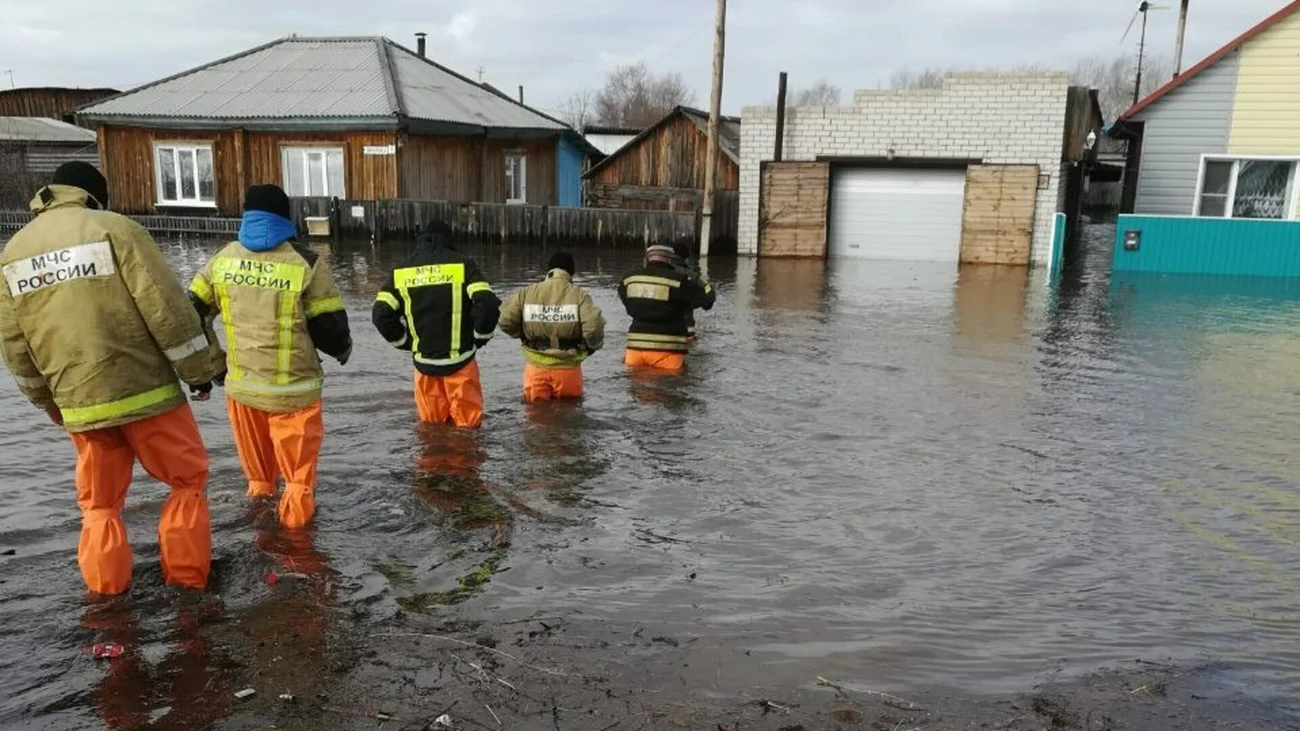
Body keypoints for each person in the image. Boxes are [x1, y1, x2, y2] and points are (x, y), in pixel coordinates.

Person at [0, 162, 222, 596]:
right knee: (185, 484)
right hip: (148, 393)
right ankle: (188, 585)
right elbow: (167, 311)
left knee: (100, 504)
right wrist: (200, 373)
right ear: (95, 196)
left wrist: (47, 403)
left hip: (79, 404)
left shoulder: (13, 252)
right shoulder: (116, 230)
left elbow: (14, 345)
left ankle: (106, 598)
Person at [189, 184, 352, 530]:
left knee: (260, 483)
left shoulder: (222, 259)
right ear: (285, 216)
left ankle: (260, 537)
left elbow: (191, 314)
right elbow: (328, 327)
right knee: (297, 483)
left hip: (243, 392)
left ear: (246, 213)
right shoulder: (306, 262)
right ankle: (297, 552)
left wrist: (215, 365)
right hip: (295, 393)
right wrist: (343, 351)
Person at [372, 221, 501, 428]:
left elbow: (380, 314)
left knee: (431, 430)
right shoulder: (463, 265)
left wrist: (404, 342)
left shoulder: (401, 271)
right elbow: (487, 303)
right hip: (461, 363)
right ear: (450, 241)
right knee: (469, 431)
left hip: (424, 368)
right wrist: (480, 336)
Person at [497, 252, 605, 403]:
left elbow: (505, 321)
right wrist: (591, 346)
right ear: (571, 273)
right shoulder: (580, 295)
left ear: (549, 270)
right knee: (569, 417)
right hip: (567, 368)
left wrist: (523, 334)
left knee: (535, 418)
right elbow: (593, 327)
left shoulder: (526, 292)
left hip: (535, 367)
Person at [618, 244, 716, 372]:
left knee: (636, 387)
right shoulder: (679, 281)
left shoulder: (629, 279)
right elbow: (705, 299)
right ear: (671, 260)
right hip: (668, 349)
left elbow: (625, 300)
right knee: (668, 388)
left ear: (646, 258)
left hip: (635, 348)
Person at [672, 242, 699, 342]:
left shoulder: (660, 271)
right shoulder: (690, 274)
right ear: (685, 258)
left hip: (662, 326)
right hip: (686, 327)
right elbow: (705, 295)